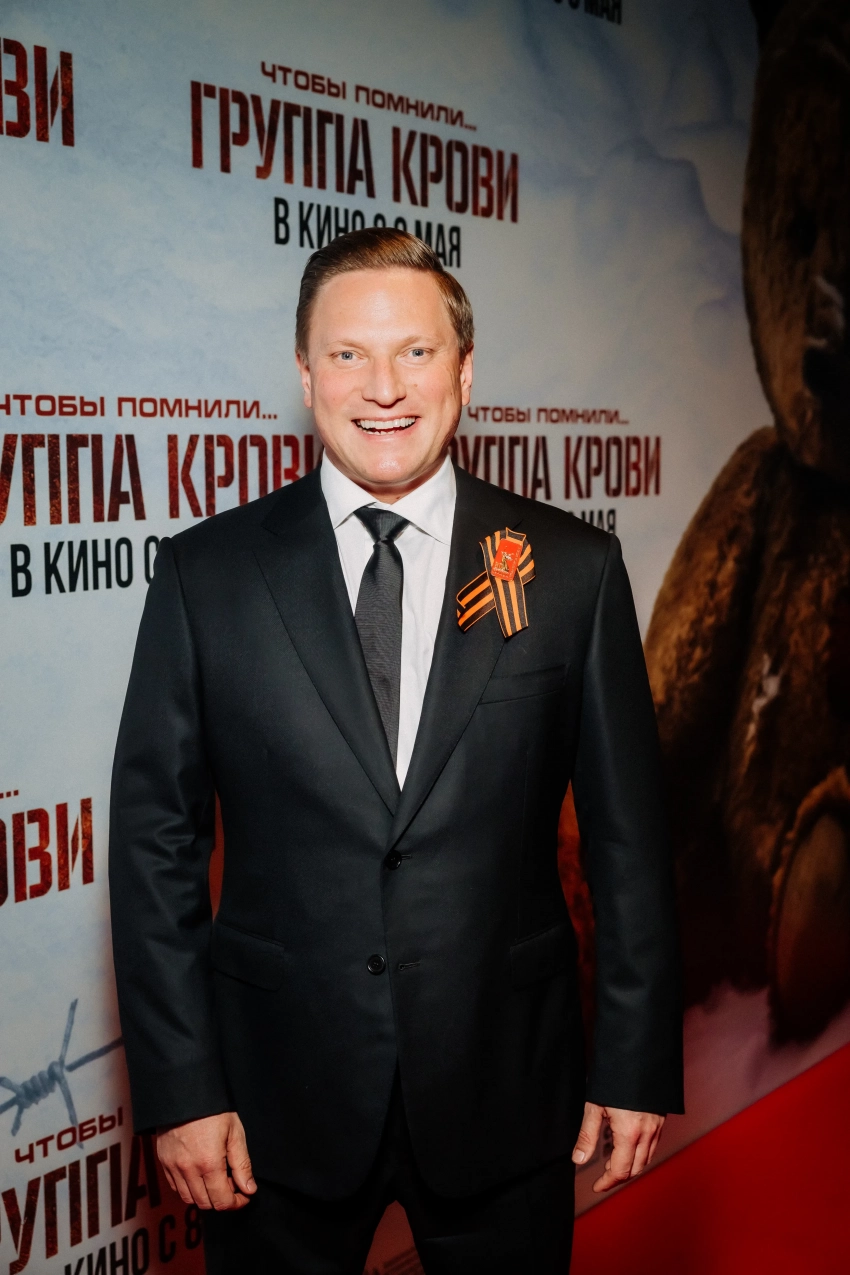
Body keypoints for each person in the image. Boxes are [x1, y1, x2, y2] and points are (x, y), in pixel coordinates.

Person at [109, 227, 683, 1274]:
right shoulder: (206, 577)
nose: (383, 388)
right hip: (273, 1102)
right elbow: (155, 847)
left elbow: (628, 842)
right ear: (304, 373)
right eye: (348, 354)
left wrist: (637, 1062)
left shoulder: (573, 569)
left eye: (415, 351)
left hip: (506, 1086)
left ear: (465, 370)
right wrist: (183, 1087)